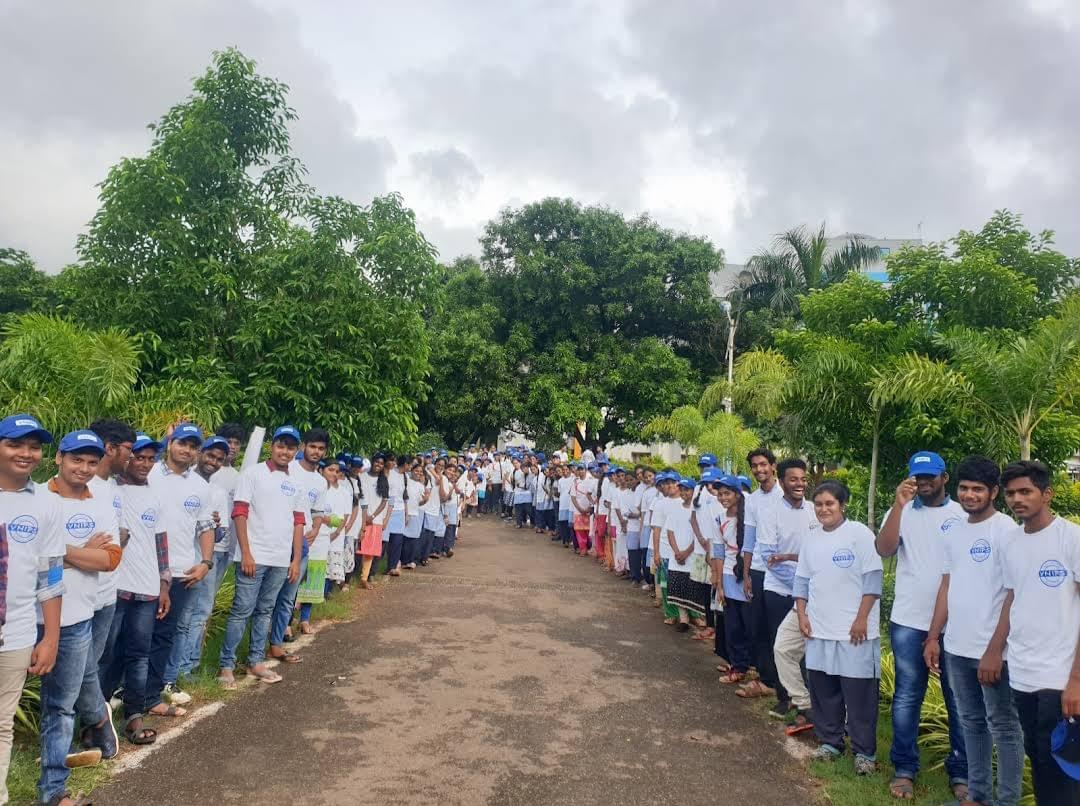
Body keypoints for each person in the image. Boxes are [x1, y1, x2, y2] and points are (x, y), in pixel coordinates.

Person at [923, 456, 1023, 806]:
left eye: (977, 489)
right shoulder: (955, 530)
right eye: (964, 488)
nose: (969, 495)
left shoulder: (1007, 531)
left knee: (1004, 727)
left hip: (993, 651)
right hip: (957, 647)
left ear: (994, 491)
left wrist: (996, 650)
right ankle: (977, 796)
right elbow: (946, 585)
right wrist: (934, 636)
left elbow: (1014, 594)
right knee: (971, 722)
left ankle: (1006, 801)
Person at [876, 451, 968, 801]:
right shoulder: (901, 511)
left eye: (930, 476)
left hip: (956, 621)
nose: (923, 482)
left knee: (957, 699)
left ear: (945, 477)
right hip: (908, 620)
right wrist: (898, 506)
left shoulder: (961, 513)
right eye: (918, 476)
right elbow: (884, 549)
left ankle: (961, 772)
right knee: (907, 696)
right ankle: (904, 768)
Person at [987, 460, 1080, 804]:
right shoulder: (1010, 542)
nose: (1017, 499)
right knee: (1039, 758)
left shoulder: (1071, 538)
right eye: (1011, 493)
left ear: (1047, 494)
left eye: (1026, 491)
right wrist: (995, 649)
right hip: (1023, 673)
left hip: (1061, 678)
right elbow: (1013, 596)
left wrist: (1076, 680)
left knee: (1065, 766)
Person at [41, 430, 123, 802]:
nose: (84, 468)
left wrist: (56, 551)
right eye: (76, 459)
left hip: (76, 617)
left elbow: (109, 560)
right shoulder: (36, 498)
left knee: (60, 707)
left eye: (92, 462)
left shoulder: (100, 503)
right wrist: (79, 553)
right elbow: (22, 560)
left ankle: (53, 791)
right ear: (58, 457)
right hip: (25, 618)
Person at [794, 480, 882, 776]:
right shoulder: (812, 538)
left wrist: (861, 619)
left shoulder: (859, 534)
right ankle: (830, 742)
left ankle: (864, 753)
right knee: (823, 690)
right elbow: (802, 581)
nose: (823, 509)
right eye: (818, 504)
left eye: (829, 503)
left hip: (855, 632)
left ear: (842, 505)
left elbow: (873, 580)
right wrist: (802, 615)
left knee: (859, 696)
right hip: (819, 628)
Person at [0, 414, 65, 805]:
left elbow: (51, 577)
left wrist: (51, 637)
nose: (25, 453)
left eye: (34, 446)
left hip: (18, 633)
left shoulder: (47, 503)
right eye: (14, 444)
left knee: (2, 724)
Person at [217, 426, 306, 689]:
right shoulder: (253, 474)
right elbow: (240, 513)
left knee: (265, 610)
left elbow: (298, 522)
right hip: (253, 556)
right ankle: (226, 665)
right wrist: (245, 552)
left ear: (295, 451)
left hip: (281, 559)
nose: (285, 451)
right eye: (281, 445)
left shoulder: (295, 483)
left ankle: (256, 660)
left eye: (290, 447)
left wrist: (295, 559)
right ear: (272, 445)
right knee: (241, 611)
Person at [99, 433, 170, 747]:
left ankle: (134, 716)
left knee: (139, 655)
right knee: (106, 655)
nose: (143, 463)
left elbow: (161, 544)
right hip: (114, 587)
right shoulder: (110, 489)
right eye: (137, 456)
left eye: (149, 458)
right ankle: (96, 721)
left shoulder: (156, 496)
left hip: (146, 589)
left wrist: (164, 585)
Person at [146, 422, 214, 716]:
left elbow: (206, 527)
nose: (187, 450)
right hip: (144, 570)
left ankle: (151, 692)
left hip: (182, 572)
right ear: (170, 442)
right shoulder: (146, 474)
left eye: (193, 446)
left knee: (165, 634)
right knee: (134, 635)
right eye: (182, 443)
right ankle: (123, 690)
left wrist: (206, 563)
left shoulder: (200, 486)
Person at [749, 458, 817, 719]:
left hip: (809, 593)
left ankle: (807, 701)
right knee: (781, 645)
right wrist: (800, 586)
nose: (799, 484)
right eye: (793, 479)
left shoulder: (813, 509)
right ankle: (783, 697)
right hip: (779, 590)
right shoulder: (771, 513)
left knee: (805, 648)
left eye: (802, 479)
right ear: (783, 480)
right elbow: (769, 556)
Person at [171, 435, 229, 681]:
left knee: (201, 613)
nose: (213, 462)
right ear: (200, 453)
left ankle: (188, 665)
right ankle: (173, 671)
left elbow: (221, 531)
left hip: (204, 561)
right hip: (177, 562)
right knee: (178, 619)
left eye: (219, 459)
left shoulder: (216, 492)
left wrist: (212, 527)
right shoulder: (176, 482)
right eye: (210, 455)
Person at [269, 428, 328, 660]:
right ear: (303, 447)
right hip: (277, 540)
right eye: (312, 446)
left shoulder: (321, 482)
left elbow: (318, 510)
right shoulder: (288, 467)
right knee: (268, 595)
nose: (316, 451)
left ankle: (278, 639)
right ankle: (259, 641)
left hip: (302, 545)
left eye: (321, 448)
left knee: (288, 596)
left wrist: (315, 528)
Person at [86, 419, 135, 678]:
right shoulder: (81, 485)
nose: (132, 455)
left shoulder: (116, 487)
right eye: (129, 448)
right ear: (109, 448)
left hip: (108, 593)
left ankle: (91, 716)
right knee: (76, 670)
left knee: (94, 664)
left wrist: (118, 537)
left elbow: (122, 535)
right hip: (81, 596)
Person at [738, 448, 784, 699]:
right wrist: (746, 574)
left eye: (764, 464)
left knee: (779, 629)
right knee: (757, 628)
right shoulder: (752, 499)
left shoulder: (786, 497)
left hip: (782, 574)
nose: (759, 470)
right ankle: (766, 680)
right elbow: (749, 539)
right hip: (757, 570)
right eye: (755, 466)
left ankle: (782, 683)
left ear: (773, 466)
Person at [712, 474, 754, 684]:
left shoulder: (750, 517)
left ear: (738, 494)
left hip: (747, 575)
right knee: (733, 624)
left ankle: (750, 665)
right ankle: (738, 665)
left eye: (727, 493)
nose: (723, 497)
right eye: (720, 494)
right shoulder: (720, 519)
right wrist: (718, 582)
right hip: (729, 576)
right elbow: (718, 553)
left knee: (750, 624)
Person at [664, 477, 711, 630]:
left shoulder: (699, 509)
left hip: (693, 555)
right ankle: (683, 619)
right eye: (682, 489)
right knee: (678, 587)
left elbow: (699, 533)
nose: (684, 492)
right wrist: (678, 552)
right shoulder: (675, 508)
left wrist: (686, 552)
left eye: (687, 489)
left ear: (694, 491)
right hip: (676, 556)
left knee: (694, 589)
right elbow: (670, 532)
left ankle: (697, 617)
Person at [358, 452, 390, 585]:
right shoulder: (361, 476)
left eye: (382, 463)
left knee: (369, 551)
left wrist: (373, 516)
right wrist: (364, 516)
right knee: (358, 548)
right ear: (372, 461)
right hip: (359, 518)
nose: (379, 465)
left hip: (375, 520)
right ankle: (351, 575)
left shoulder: (383, 480)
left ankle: (364, 578)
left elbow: (384, 502)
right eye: (377, 462)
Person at [323, 460, 356, 591]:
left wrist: (336, 533)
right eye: (331, 470)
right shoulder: (321, 489)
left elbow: (346, 515)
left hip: (337, 535)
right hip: (320, 534)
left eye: (338, 471)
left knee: (333, 567)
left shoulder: (345, 492)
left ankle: (326, 594)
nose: (335, 474)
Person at [401, 463, 427, 569]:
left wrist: (425, 501)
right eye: (417, 471)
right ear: (412, 471)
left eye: (421, 472)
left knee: (413, 539)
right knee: (404, 538)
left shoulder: (421, 486)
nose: (418, 473)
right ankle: (402, 560)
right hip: (405, 512)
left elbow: (419, 503)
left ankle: (410, 560)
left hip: (415, 513)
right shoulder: (406, 480)